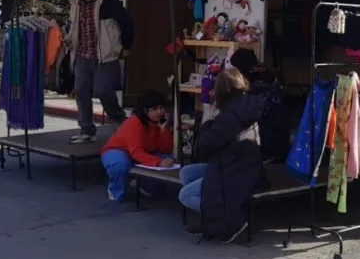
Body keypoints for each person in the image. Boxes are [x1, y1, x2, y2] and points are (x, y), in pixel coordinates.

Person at [178, 68, 266, 243]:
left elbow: (205, 145)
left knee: (185, 195)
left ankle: (227, 219)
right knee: (186, 173)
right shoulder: (246, 105)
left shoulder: (229, 116)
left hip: (234, 171)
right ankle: (212, 215)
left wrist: (210, 115)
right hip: (244, 164)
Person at [67, 0, 135, 143]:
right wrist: (69, 39)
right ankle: (87, 130)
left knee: (103, 90)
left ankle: (119, 119)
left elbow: (127, 22)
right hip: (82, 53)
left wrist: (126, 46)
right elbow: (75, 26)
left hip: (104, 54)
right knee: (81, 91)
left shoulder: (108, 1)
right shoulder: (76, 2)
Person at [100, 91, 175, 202]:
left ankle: (142, 185)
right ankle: (115, 192)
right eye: (154, 109)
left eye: (161, 108)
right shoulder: (134, 122)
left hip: (142, 152)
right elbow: (136, 152)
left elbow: (166, 149)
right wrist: (158, 162)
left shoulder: (159, 123)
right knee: (120, 165)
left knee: (168, 160)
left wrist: (164, 130)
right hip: (118, 151)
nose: (159, 112)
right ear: (145, 110)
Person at [227, 49, 290, 163]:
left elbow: (247, 115)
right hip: (280, 140)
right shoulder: (265, 75)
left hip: (269, 143)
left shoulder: (257, 85)